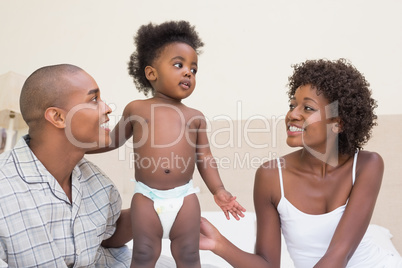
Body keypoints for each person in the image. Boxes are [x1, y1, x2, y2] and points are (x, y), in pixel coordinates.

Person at [199, 59, 402, 267]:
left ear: (337, 123)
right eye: (292, 105)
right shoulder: (270, 176)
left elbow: (339, 255)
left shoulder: (367, 165)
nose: (292, 115)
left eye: (307, 108)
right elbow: (267, 264)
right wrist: (219, 244)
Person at [92, 20, 245, 268]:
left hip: (185, 199)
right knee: (143, 255)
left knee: (188, 256)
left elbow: (204, 157)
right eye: (179, 65)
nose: (188, 72)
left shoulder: (195, 116)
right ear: (151, 73)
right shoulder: (137, 108)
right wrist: (79, 146)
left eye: (193, 70)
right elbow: (112, 140)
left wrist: (220, 191)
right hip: (146, 198)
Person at [0, 64, 173, 268]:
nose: (107, 108)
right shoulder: (6, 188)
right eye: (93, 99)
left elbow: (105, 235)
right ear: (58, 117)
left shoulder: (96, 181)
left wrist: (155, 207)